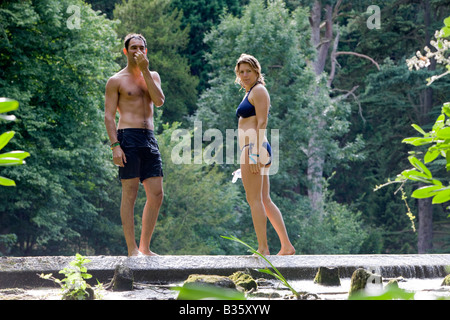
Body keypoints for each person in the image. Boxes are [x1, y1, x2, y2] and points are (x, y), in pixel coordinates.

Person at [104, 33, 165, 256]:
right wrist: (115, 146)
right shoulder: (116, 81)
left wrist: (146, 70)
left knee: (157, 194)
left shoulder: (153, 75)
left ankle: (145, 248)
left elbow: (158, 101)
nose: (137, 50)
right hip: (127, 137)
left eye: (141, 47)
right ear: (125, 51)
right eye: (133, 47)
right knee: (129, 194)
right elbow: (109, 116)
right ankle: (132, 249)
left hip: (149, 137)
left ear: (145, 51)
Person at [235, 53, 295, 256]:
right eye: (241, 72)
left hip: (254, 148)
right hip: (254, 148)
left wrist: (253, 154)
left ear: (256, 71)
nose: (244, 75)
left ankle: (263, 248)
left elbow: (262, 123)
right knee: (264, 199)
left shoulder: (259, 90)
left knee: (255, 200)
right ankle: (286, 246)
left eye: (248, 71)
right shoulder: (250, 91)